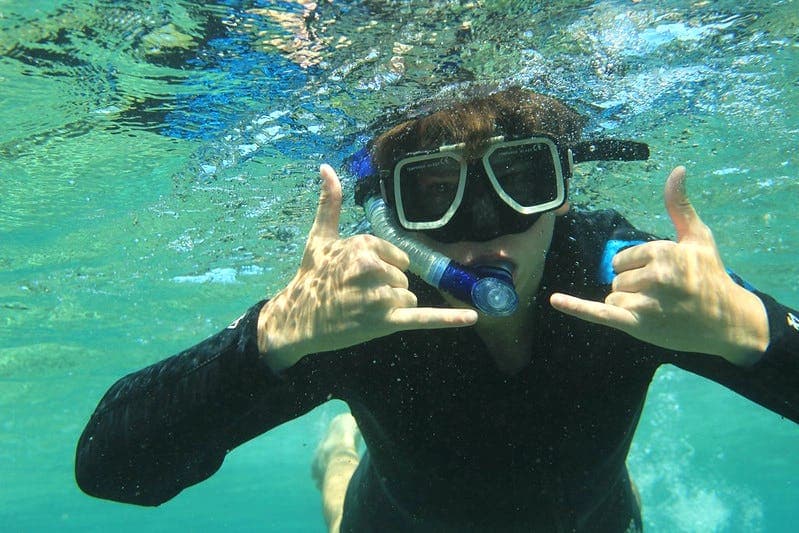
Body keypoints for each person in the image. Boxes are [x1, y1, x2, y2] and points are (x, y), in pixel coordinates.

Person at [75, 87, 799, 532]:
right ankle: (336, 463)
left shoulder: (630, 279)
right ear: (389, 212)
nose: (484, 225)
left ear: (565, 184)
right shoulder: (354, 309)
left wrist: (749, 331)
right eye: (431, 193)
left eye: (521, 179)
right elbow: (110, 468)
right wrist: (270, 339)